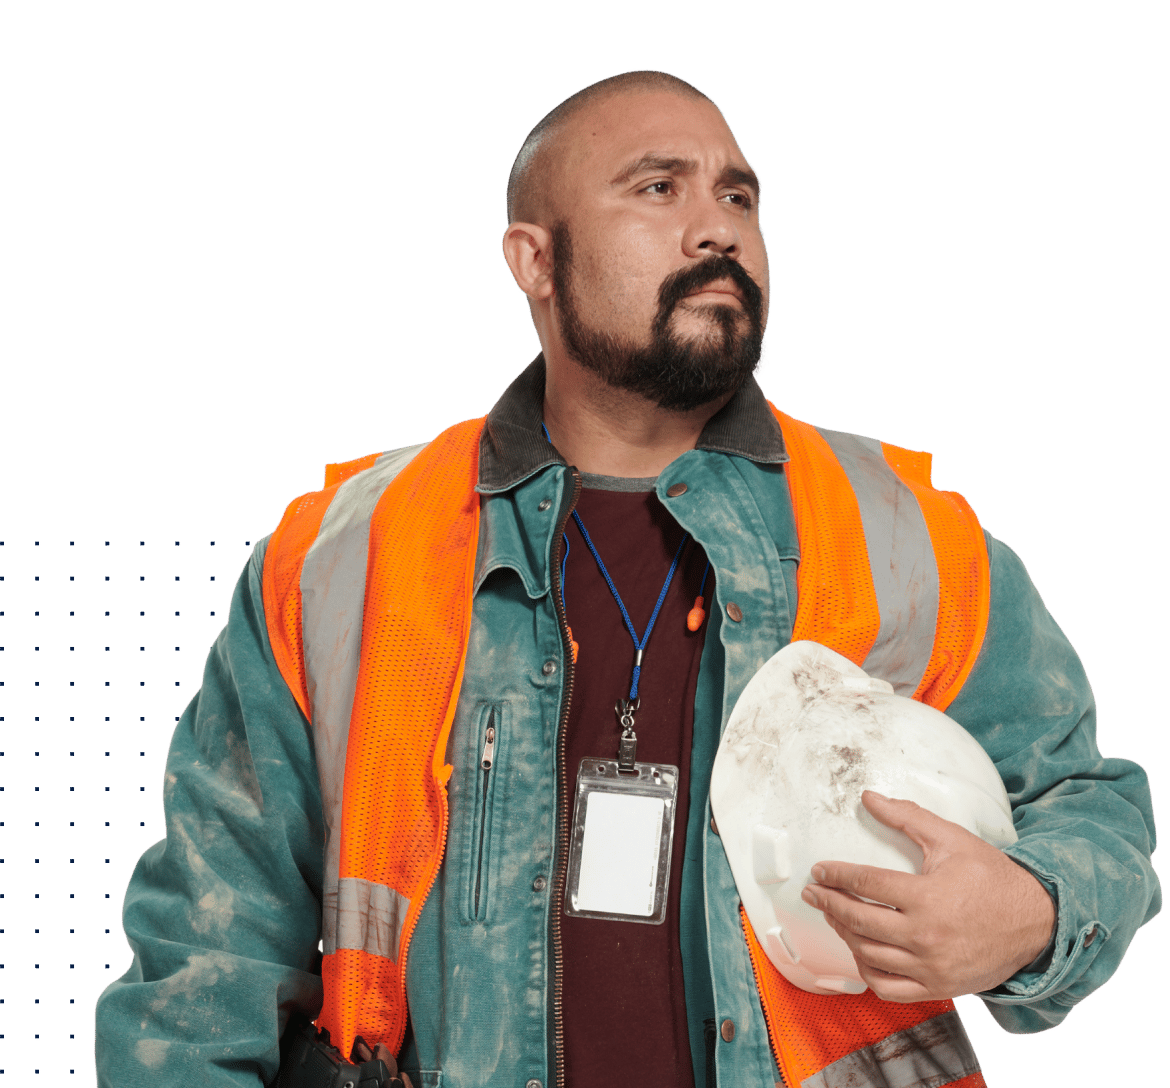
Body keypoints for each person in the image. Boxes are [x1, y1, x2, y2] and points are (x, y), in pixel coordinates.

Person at [94, 70, 1160, 1088]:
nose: (719, 227)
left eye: (738, 194)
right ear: (533, 259)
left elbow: (1090, 803)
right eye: (659, 188)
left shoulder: (908, 532)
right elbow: (208, 942)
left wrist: (1030, 909)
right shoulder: (339, 553)